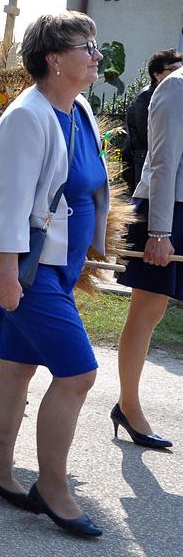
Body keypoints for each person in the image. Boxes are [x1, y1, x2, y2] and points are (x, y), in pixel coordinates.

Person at [0, 11, 108, 538]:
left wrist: (97, 243)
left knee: (16, 368)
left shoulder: (80, 109)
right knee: (78, 374)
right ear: (54, 59)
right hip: (29, 273)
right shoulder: (26, 118)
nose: (97, 54)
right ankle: (52, 484)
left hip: (58, 266)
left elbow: (88, 186)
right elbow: (6, 205)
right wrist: (6, 279)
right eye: (86, 46)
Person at [112, 58, 183, 449]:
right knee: (148, 310)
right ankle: (129, 405)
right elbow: (161, 162)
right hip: (167, 210)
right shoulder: (175, 87)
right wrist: (159, 231)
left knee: (153, 310)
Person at [122, 49, 182, 193]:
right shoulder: (147, 97)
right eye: (173, 69)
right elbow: (151, 138)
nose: (178, 73)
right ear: (157, 74)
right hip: (145, 165)